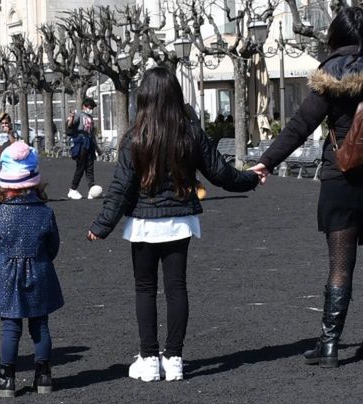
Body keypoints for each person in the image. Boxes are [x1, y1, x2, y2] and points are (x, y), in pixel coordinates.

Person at [253, 8, 363, 368]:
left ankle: (329, 345)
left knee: (340, 263)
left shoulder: (329, 74)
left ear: (335, 37)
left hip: (340, 177)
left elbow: (299, 126)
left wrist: (267, 161)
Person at [85, 68, 261, 382]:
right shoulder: (190, 132)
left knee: (145, 289)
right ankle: (174, 358)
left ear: (144, 97)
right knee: (176, 288)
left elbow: (121, 188)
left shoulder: (135, 136)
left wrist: (102, 225)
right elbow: (220, 173)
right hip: (180, 220)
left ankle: (149, 358)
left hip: (144, 222)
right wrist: (251, 179)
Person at [0, 141, 64, 397]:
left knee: (11, 327)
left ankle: (6, 379)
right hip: (40, 271)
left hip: (6, 273)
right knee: (40, 325)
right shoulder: (45, 213)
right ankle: (44, 376)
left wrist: (0, 265)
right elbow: (53, 247)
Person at [65, 97, 99, 201]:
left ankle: (91, 190)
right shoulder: (78, 114)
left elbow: (92, 134)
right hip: (80, 144)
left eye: (92, 108)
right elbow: (70, 125)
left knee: (90, 168)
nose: (91, 109)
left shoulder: (91, 118)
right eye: (89, 107)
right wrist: (71, 117)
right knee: (81, 167)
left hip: (89, 144)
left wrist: (97, 148)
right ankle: (73, 189)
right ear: (84, 106)